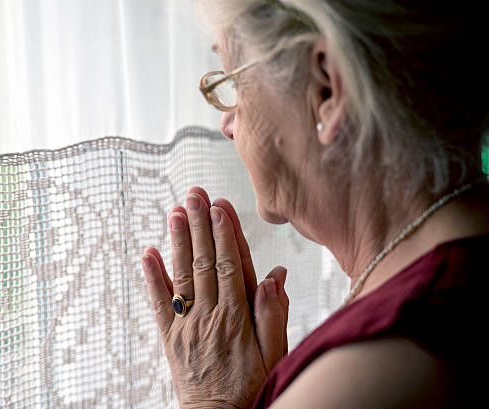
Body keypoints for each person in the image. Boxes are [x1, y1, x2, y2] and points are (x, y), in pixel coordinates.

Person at [140, 0, 489, 407]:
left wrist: (212, 400)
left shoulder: (368, 375)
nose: (226, 123)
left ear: (326, 87)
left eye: (234, 84)